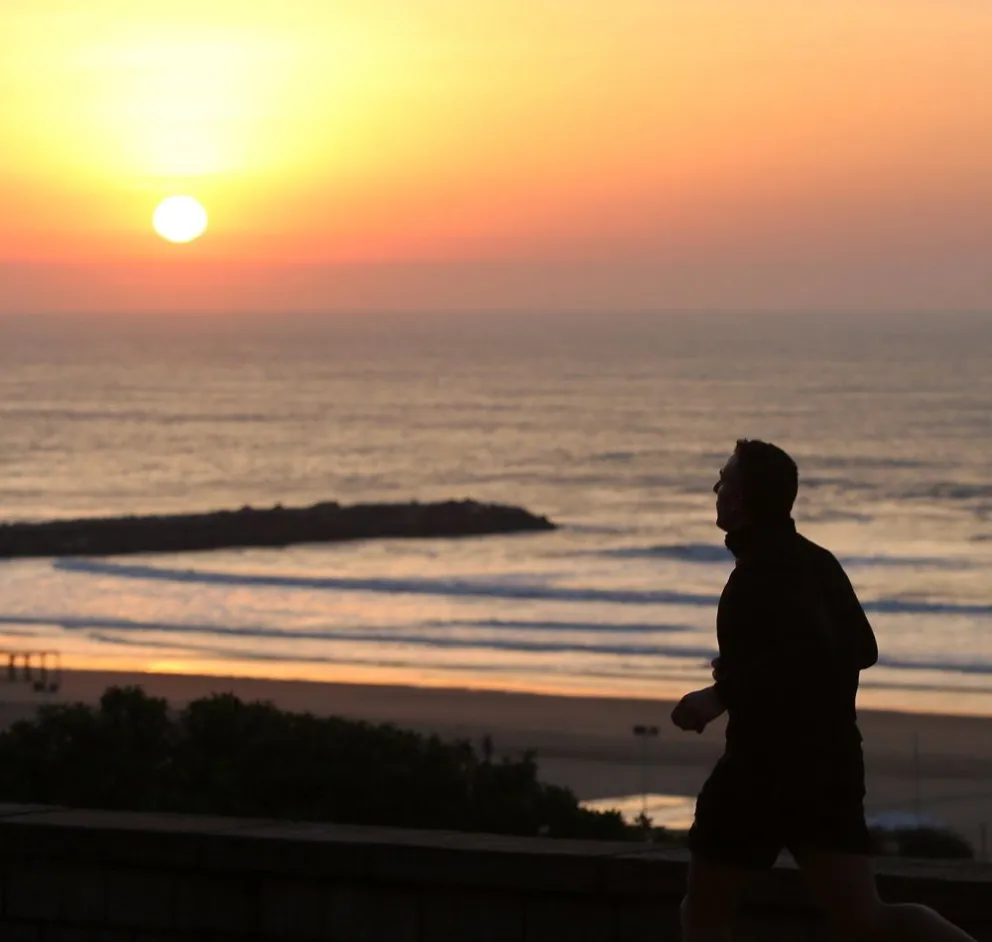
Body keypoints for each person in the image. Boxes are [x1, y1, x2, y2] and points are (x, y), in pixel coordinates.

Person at [671, 439, 977, 942]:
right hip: (827, 769)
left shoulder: (762, 571)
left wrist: (719, 695)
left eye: (725, 479)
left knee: (704, 914)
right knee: (866, 920)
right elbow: (858, 648)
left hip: (762, 770)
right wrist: (743, 670)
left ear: (746, 498)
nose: (716, 487)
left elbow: (813, 652)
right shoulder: (815, 560)